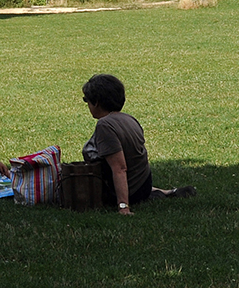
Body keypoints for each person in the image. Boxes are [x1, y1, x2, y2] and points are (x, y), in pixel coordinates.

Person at [80, 73, 195, 214]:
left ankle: (155, 194)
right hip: (144, 184)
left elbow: (119, 168)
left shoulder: (105, 125)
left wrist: (124, 206)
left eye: (87, 100)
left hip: (131, 192)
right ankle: (166, 192)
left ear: (96, 102)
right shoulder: (129, 119)